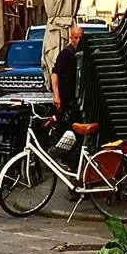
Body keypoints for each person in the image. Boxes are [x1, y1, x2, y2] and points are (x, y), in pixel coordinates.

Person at [49, 24, 87, 160]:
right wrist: (57, 95)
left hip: (76, 101)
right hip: (66, 99)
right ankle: (66, 157)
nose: (78, 40)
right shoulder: (66, 53)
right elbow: (54, 74)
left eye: (81, 38)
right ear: (71, 38)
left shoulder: (84, 54)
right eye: (75, 38)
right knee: (67, 130)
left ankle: (73, 159)